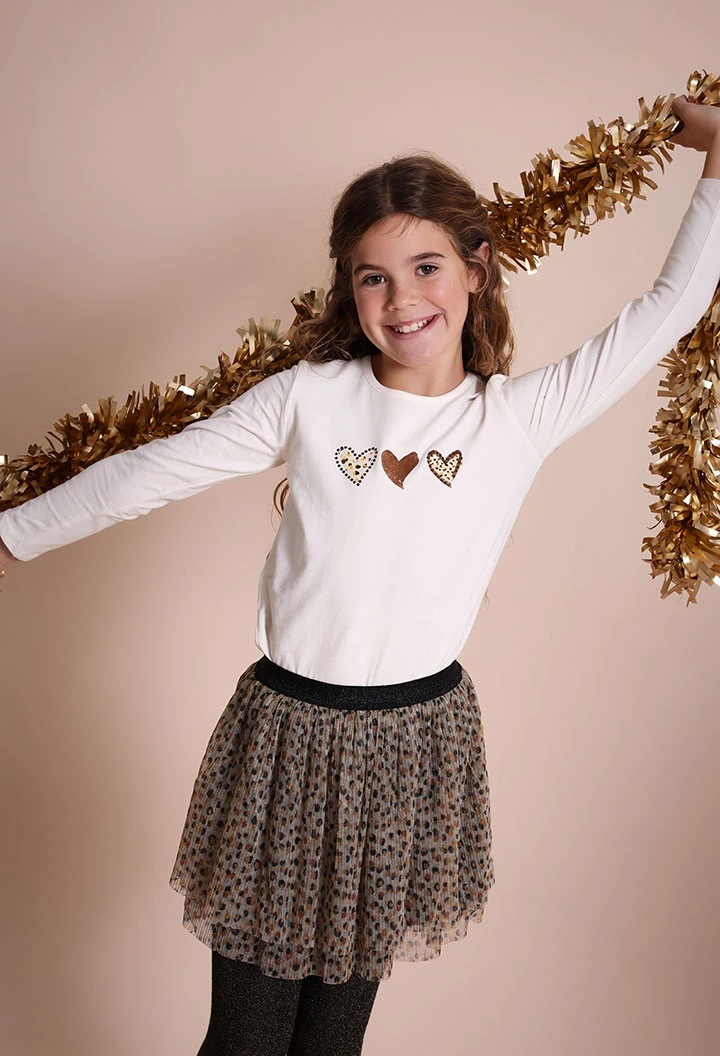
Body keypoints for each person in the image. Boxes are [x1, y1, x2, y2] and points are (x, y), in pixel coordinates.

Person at [1, 95, 719, 1056]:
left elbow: (670, 307)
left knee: (332, 1043)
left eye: (426, 267)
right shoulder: (309, 399)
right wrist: (12, 538)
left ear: (476, 269)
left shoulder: (515, 419)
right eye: (372, 277)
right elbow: (151, 471)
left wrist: (717, 158)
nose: (401, 298)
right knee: (248, 1039)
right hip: (289, 739)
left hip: (412, 748)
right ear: (349, 290)